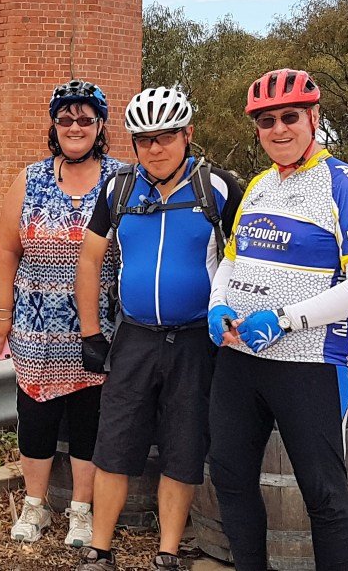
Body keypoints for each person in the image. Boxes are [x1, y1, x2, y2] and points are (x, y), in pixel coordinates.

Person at [206, 69, 348, 571]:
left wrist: (286, 320)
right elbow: (232, 261)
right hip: (240, 356)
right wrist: (217, 303)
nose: (279, 129)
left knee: (323, 492)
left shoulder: (344, 183)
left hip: (310, 363)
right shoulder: (259, 185)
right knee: (230, 477)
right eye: (267, 121)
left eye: (290, 117)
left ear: (314, 117)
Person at [74, 87, 242, 571]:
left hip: (195, 339)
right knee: (113, 445)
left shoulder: (217, 187)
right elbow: (90, 258)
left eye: (165, 137)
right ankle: (99, 549)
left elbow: (250, 256)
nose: (155, 148)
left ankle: (167, 553)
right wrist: (91, 332)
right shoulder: (119, 188)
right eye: (144, 140)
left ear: (188, 135)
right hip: (134, 336)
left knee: (183, 449)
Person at [0, 80, 124, 547]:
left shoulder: (121, 179)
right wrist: (1, 311)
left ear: (100, 126)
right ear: (54, 126)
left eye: (85, 119)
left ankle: (82, 511)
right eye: (66, 119)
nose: (75, 127)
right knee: (36, 416)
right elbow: (7, 249)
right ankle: (36, 504)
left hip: (98, 326)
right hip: (36, 325)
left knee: (89, 418)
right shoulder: (30, 178)